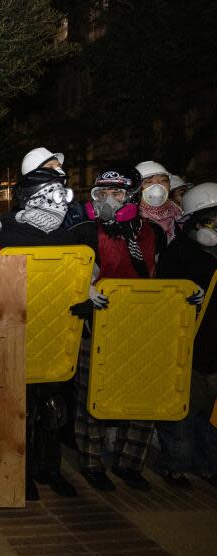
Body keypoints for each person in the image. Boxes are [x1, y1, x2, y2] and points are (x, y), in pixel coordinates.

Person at [69, 166, 168, 493]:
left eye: (117, 193)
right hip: (98, 325)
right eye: (102, 194)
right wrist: (83, 294)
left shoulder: (155, 233)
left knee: (143, 395)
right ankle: (92, 462)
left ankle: (130, 463)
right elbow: (71, 276)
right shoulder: (84, 231)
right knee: (92, 395)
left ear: (134, 197)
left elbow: (163, 276)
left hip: (143, 325)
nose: (108, 200)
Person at [0, 167, 80, 501]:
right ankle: (22, 471)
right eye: (54, 192)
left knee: (53, 407)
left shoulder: (67, 232)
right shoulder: (9, 233)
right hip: (20, 330)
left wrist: (84, 298)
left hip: (57, 329)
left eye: (64, 192)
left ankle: (51, 469)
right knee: (21, 408)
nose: (61, 201)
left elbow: (77, 271)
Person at [154, 182, 217, 489]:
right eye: (209, 220)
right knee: (182, 412)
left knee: (211, 416)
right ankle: (175, 464)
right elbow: (163, 295)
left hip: (214, 349)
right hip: (187, 346)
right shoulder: (178, 254)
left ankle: (210, 465)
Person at [135, 161, 181, 242]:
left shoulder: (177, 209)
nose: (157, 186)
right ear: (137, 187)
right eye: (149, 182)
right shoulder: (133, 216)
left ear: (169, 185)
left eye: (163, 180)